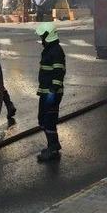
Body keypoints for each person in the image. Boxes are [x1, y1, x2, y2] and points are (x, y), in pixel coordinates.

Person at [35, 22, 65, 162]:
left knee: (49, 120)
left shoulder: (56, 51)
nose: (41, 38)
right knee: (42, 119)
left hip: (52, 92)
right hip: (45, 91)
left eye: (42, 36)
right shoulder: (49, 49)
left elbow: (59, 72)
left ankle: (53, 149)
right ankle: (53, 145)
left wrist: (53, 90)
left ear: (48, 36)